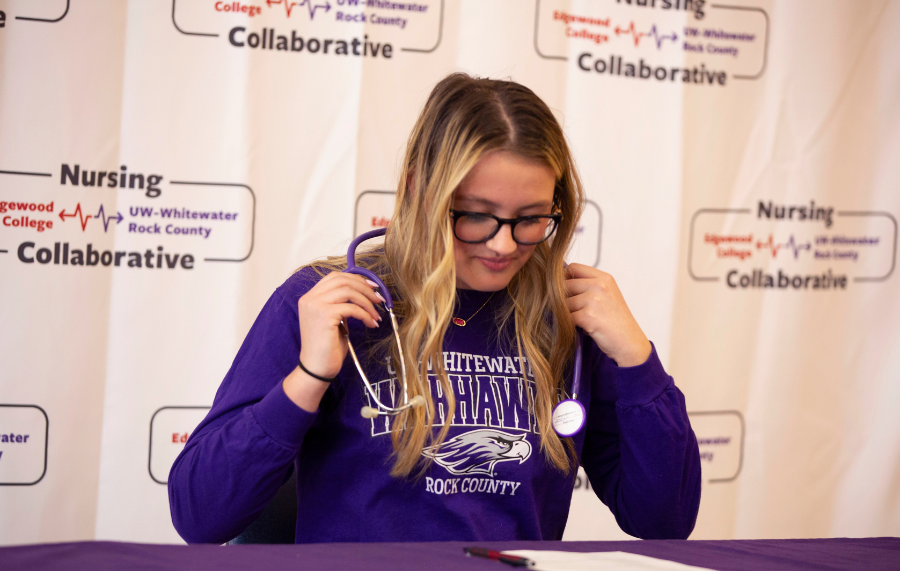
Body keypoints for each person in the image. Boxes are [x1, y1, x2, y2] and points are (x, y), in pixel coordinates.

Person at [169, 73, 701, 544]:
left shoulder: (568, 323)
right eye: (477, 215)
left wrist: (638, 361)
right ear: (419, 192)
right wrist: (308, 378)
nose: (502, 245)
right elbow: (200, 516)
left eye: (531, 218)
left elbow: (664, 522)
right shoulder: (323, 304)